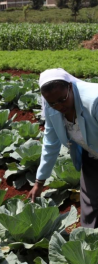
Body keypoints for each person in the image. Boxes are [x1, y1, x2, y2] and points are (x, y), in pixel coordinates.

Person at [28, 68, 98, 228]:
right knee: (90, 207)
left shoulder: (94, 101)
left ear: (71, 87)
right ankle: (90, 244)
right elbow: (50, 143)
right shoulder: (51, 105)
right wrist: (39, 181)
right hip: (92, 157)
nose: (59, 106)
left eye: (62, 99)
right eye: (52, 103)